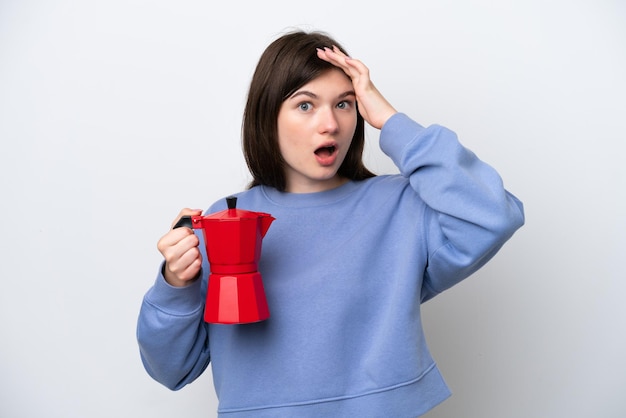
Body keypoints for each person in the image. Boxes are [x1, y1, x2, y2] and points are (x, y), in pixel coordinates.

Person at [137, 29, 525, 417]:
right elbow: (172, 370)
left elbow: (493, 215)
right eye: (305, 106)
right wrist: (175, 284)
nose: (331, 124)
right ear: (267, 116)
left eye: (344, 104)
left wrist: (390, 120)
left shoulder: (401, 206)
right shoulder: (227, 220)